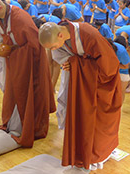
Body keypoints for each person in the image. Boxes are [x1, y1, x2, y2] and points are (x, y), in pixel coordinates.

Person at [38, 21, 121, 170]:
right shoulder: (62, 34)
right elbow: (66, 59)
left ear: (61, 35)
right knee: (79, 117)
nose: (53, 51)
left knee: (96, 122)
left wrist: (77, 65)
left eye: (53, 47)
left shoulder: (90, 35)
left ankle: (97, 156)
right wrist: (73, 64)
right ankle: (80, 152)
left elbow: (109, 68)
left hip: (99, 86)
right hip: (81, 83)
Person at [0, 0, 55, 148]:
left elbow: (35, 44)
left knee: (26, 92)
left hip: (29, 62)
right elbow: (0, 37)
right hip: (13, 60)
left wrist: (13, 49)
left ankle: (29, 126)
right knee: (13, 91)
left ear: (0, 7)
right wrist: (3, 46)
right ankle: (14, 122)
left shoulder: (20, 18)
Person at [110, 36, 130, 102]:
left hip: (124, 72)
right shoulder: (103, 46)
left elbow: (126, 66)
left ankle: (118, 109)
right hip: (112, 70)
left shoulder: (121, 51)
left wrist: (113, 65)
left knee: (121, 91)